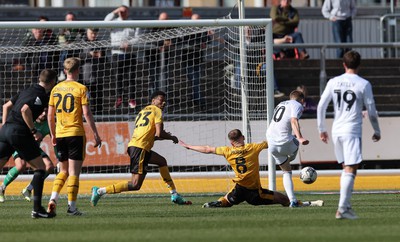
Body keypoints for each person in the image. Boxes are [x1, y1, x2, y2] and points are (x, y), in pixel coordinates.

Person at [90, 91, 191, 206]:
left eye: (164, 101)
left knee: (161, 161)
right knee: (135, 184)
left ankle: (174, 194)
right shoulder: (157, 111)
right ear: (153, 101)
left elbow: (151, 135)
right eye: (160, 100)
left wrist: (165, 137)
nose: (163, 103)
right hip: (140, 148)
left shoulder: (142, 111)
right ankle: (99, 191)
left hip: (137, 146)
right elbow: (159, 133)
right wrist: (172, 137)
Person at [179, 129, 322, 208]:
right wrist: (291, 137)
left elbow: (207, 149)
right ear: (242, 138)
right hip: (254, 192)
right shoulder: (253, 148)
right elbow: (271, 143)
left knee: (228, 201)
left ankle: (218, 203)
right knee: (283, 199)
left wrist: (189, 146)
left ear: (231, 142)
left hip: (239, 188)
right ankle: (304, 204)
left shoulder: (227, 150)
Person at [317, 50, 381, 219]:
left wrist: (321, 128)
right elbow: (372, 112)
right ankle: (342, 209)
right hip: (351, 130)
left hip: (336, 130)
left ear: (343, 64)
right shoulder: (363, 84)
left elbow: (321, 106)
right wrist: (377, 130)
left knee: (347, 168)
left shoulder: (333, 82)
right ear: (359, 65)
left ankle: (345, 205)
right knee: (351, 168)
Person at [46, 57, 102, 216]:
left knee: (62, 171)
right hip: (75, 134)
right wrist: (96, 134)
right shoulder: (81, 88)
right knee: (73, 173)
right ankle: (71, 207)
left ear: (65, 71)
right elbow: (86, 113)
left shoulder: (56, 89)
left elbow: (50, 115)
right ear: (78, 70)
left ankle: (53, 199)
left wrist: (53, 135)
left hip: (60, 133)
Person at [0, 69, 57, 218]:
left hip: (6, 130)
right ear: (52, 82)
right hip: (19, 132)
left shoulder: (27, 89)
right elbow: (25, 110)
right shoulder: (43, 96)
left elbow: (6, 106)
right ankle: (37, 209)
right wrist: (33, 131)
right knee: (41, 168)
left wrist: (6, 126)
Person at [266, 90, 310, 207]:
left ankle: (293, 200)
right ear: (302, 100)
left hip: (271, 142)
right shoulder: (297, 105)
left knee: (286, 171)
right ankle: (291, 157)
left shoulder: (281, 104)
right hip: (284, 141)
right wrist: (300, 137)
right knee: (296, 141)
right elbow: (293, 120)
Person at [0, 109, 55, 203]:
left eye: (46, 111)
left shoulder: (49, 123)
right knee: (21, 165)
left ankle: (28, 189)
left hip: (33, 148)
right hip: (19, 144)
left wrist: (59, 156)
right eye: (42, 111)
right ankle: (2, 188)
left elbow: (55, 141)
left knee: (49, 167)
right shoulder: (28, 119)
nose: (44, 114)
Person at [105, 5, 138, 109]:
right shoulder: (113, 22)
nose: (122, 13)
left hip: (130, 54)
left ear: (128, 12)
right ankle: (119, 98)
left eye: (124, 11)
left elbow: (138, 38)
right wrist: (115, 11)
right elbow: (105, 22)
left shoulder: (133, 23)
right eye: (120, 11)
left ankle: (131, 99)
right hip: (117, 54)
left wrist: (129, 43)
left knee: (131, 77)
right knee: (118, 78)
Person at [79, 28, 106, 114]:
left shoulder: (100, 44)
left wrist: (102, 56)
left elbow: (105, 59)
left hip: (97, 78)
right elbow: (77, 55)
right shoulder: (81, 43)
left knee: (98, 100)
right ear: (87, 32)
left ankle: (99, 116)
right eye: (91, 33)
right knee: (84, 100)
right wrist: (89, 54)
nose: (93, 35)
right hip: (84, 78)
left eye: (95, 33)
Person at [58, 11, 85, 81]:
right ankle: (63, 71)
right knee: (64, 53)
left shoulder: (80, 29)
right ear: (65, 20)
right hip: (66, 54)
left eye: (72, 19)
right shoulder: (61, 30)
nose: (71, 21)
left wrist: (71, 42)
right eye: (69, 19)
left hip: (77, 53)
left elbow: (80, 41)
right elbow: (63, 43)